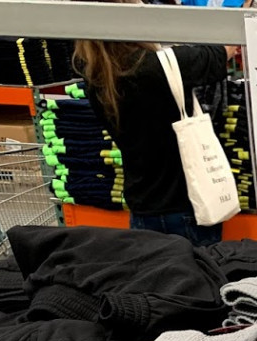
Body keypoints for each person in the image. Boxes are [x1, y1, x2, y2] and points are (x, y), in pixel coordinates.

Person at [72, 0, 237, 245]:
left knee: (153, 268)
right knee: (199, 268)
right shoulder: (163, 66)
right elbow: (223, 51)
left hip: (142, 205)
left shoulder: (96, 75)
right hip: (188, 204)